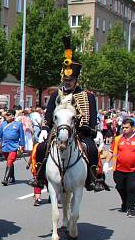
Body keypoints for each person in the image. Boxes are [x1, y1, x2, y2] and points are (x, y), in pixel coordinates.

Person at [28, 37, 109, 192]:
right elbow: (49, 113)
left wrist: (95, 131)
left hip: (81, 132)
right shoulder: (55, 95)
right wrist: (45, 128)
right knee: (41, 148)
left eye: (71, 79)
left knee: (91, 149)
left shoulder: (87, 96)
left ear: (76, 79)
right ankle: (38, 178)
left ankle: (94, 179)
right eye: (66, 79)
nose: (68, 82)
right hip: (58, 131)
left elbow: (92, 115)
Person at [108, 118, 135, 217]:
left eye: (126, 127)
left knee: (132, 188)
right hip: (119, 169)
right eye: (123, 127)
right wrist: (106, 163)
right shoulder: (117, 139)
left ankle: (131, 208)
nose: (124, 129)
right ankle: (125, 202)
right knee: (120, 187)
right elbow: (111, 152)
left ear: (133, 128)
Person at [0, 110, 25, 186]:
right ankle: (12, 177)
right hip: (5, 146)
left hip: (14, 146)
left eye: (8, 115)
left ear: (13, 116)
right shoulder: (3, 124)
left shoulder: (18, 124)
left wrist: (22, 146)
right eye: (6, 115)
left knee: (10, 161)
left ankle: (5, 179)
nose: (7, 116)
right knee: (9, 161)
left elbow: (22, 136)